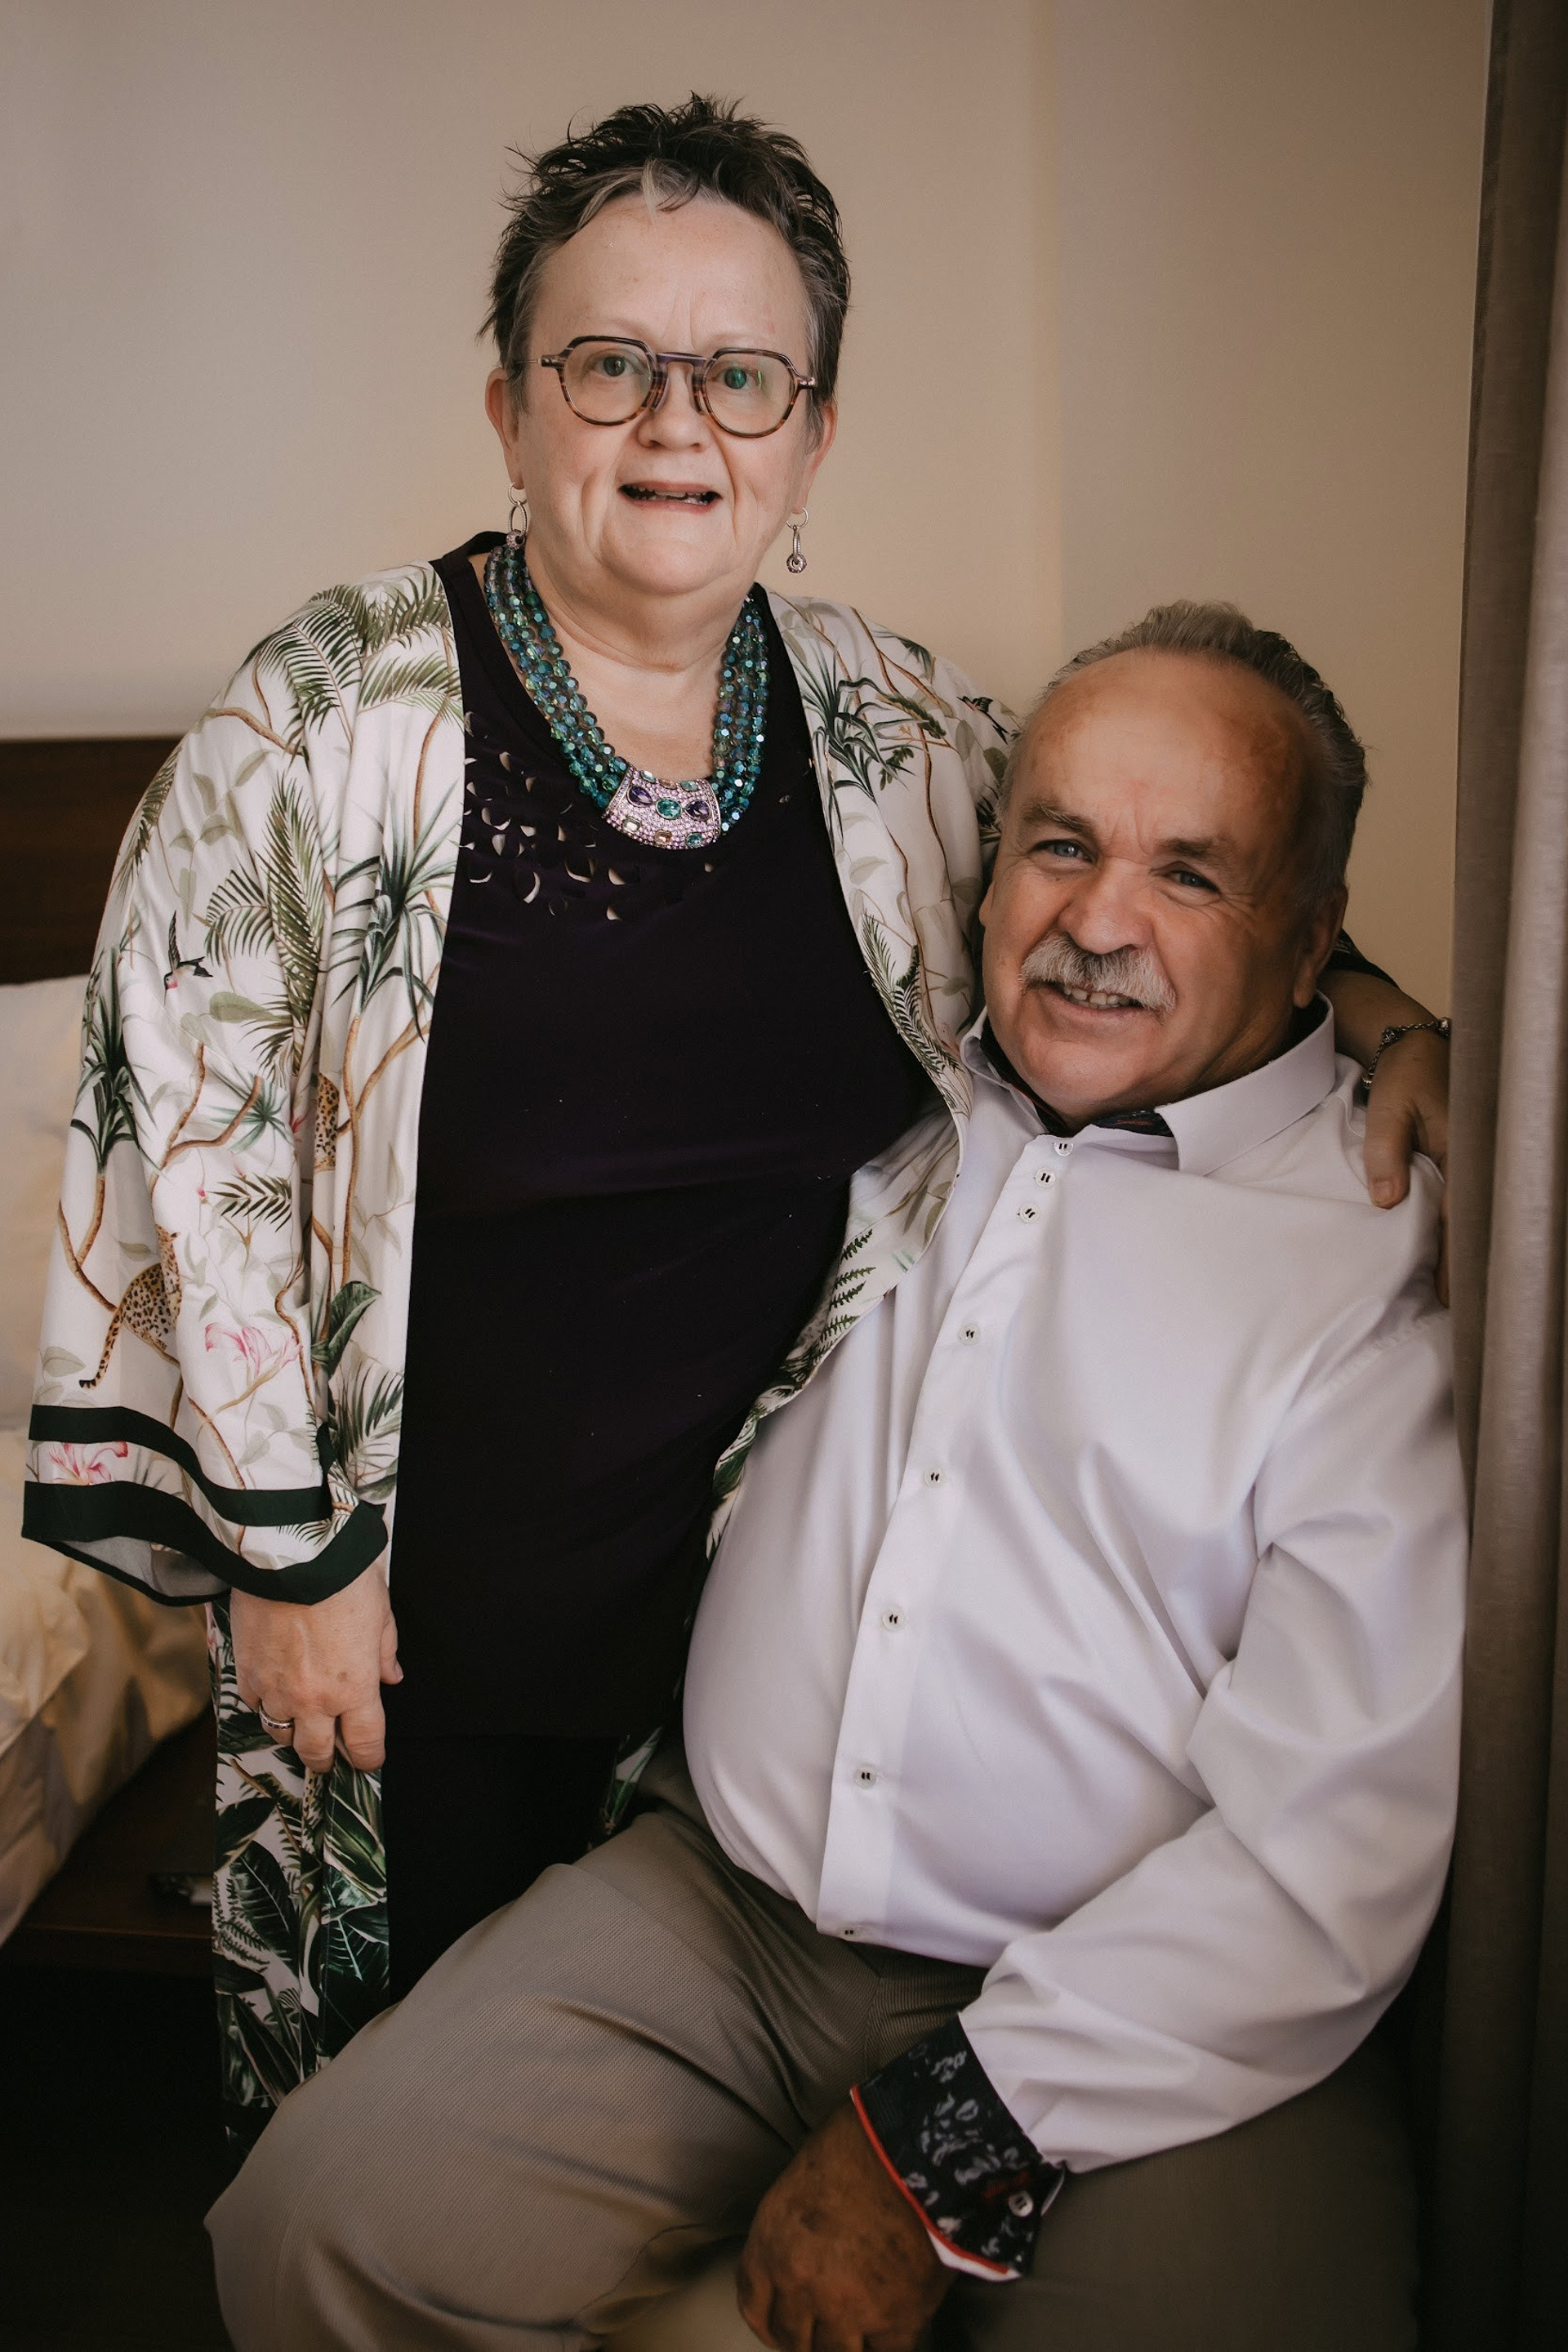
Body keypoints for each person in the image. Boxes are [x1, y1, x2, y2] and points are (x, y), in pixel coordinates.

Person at [23, 98, 1449, 2149]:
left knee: (660, 2185)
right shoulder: (321, 722)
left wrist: (1390, 1013)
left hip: (729, 1640)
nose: (677, 422)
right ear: (511, 406)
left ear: (814, 435)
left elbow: (1148, 886)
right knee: (384, 2149)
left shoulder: (900, 728)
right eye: (610, 363)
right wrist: (288, 1556)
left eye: (743, 375)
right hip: (405, 1619)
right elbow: (196, 1124)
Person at [209, 604, 1465, 2352]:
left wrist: (935, 2144)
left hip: (1148, 2003)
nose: (1100, 922)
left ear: (1315, 934)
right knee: (314, 2235)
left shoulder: (1379, 1257)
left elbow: (1334, 1848)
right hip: (727, 1914)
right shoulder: (882, 1061)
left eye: (1191, 875)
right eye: (1060, 846)